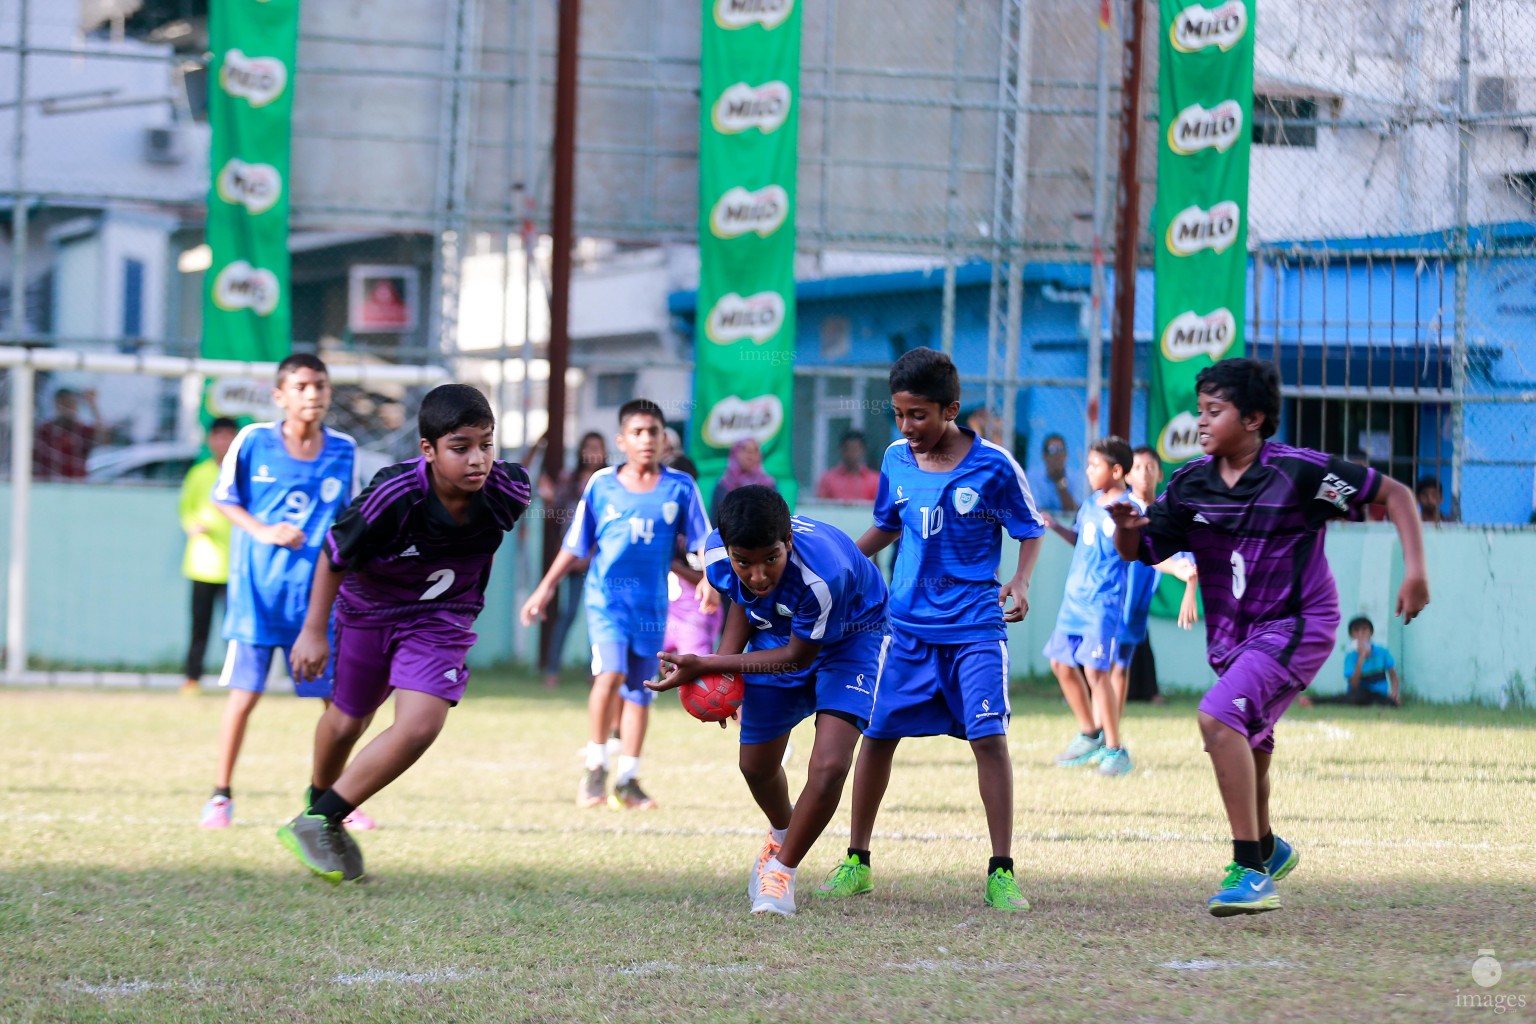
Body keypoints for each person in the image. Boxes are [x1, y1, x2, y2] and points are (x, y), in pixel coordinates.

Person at [1108, 357, 1429, 916]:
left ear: (1254, 418)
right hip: (1234, 636)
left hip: (1299, 625)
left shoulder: (1300, 475)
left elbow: (1396, 495)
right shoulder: (1190, 484)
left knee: (1216, 718)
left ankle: (1249, 870)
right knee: (1249, 744)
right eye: (1199, 410)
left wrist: (1417, 571)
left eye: (1215, 411)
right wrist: (1125, 532)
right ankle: (1266, 847)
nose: (1201, 422)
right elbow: (1145, 552)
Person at [817, 346, 1045, 912]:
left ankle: (1001, 871)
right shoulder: (895, 458)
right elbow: (884, 528)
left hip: (974, 628)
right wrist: (836, 564)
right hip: (906, 628)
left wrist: (1019, 580)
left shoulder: (993, 465)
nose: (907, 426)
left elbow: (1030, 528)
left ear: (951, 409)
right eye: (899, 414)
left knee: (989, 739)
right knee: (878, 737)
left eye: (918, 414)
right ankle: (857, 861)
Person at [277, 384, 533, 882]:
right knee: (348, 721)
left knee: (419, 724)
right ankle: (319, 804)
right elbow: (334, 554)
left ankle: (321, 818)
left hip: (442, 620)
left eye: (486, 444)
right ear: (428, 450)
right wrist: (313, 632)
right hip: (369, 613)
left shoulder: (509, 491)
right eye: (460, 448)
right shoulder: (393, 493)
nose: (477, 459)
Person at [649, 487, 888, 917]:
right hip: (778, 634)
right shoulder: (718, 556)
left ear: (788, 542)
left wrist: (709, 663)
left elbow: (799, 656)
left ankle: (782, 872)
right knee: (755, 766)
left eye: (770, 560)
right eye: (745, 561)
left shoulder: (822, 576)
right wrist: (722, 672)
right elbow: (743, 601)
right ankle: (781, 832)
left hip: (852, 636)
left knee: (831, 765)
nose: (757, 574)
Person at [198, 354, 364, 831]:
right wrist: (264, 530)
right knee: (244, 695)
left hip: (316, 602)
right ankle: (221, 796)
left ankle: (336, 798)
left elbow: (351, 518)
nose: (313, 394)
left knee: (336, 702)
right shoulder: (252, 441)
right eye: (302, 386)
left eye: (321, 386)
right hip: (259, 595)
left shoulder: (344, 449)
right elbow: (224, 499)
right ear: (280, 396)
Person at [521, 399, 712, 811]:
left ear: (664, 440)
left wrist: (711, 582)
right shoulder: (602, 485)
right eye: (638, 432)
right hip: (606, 601)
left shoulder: (680, 487)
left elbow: (703, 542)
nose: (647, 440)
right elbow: (575, 544)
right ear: (622, 440)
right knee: (609, 675)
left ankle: (627, 779)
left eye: (654, 432)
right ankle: (594, 768)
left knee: (641, 691)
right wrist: (545, 588)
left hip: (651, 607)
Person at [1044, 437, 1138, 777]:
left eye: (1094, 465)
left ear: (1116, 470)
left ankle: (1116, 749)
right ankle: (1090, 734)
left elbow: (1130, 550)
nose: (1087, 471)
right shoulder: (1091, 503)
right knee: (1060, 664)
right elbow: (1079, 538)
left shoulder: (1129, 508)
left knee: (1096, 672)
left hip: (1102, 603)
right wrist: (1055, 528)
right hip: (1075, 601)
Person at [1119, 446, 1199, 706]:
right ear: (1128, 476)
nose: (1144, 473)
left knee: (1133, 641)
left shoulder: (1166, 512)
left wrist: (1187, 577)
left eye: (1149, 467)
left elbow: (1183, 556)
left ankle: (1138, 697)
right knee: (1112, 654)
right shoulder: (1123, 510)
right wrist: (1176, 568)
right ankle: (1100, 721)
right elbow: (1145, 551)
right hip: (1116, 593)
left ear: (1160, 474)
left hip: (1140, 596)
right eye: (1138, 468)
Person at [537, 431, 608, 689]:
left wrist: (590, 555)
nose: (592, 452)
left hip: (602, 561)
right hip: (574, 559)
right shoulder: (569, 479)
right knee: (568, 614)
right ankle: (552, 670)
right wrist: (548, 498)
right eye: (587, 447)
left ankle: (598, 671)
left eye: (597, 447)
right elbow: (561, 518)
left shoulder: (610, 482)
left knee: (599, 616)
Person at [179, 417, 240, 697]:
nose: (224, 442)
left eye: (230, 436)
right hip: (202, 565)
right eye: (219, 436)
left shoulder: (243, 473)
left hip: (235, 567)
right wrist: (192, 525)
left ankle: (237, 680)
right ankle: (192, 679)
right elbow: (186, 510)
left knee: (235, 630)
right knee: (199, 627)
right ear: (210, 440)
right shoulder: (199, 473)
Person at [1310, 616, 1402, 707]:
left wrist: (1395, 692)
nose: (1360, 635)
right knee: (1352, 698)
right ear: (1352, 635)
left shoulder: (1382, 652)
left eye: (1364, 630)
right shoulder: (1350, 656)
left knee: (1391, 703)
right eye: (1356, 631)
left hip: (1379, 694)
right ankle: (1313, 701)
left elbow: (1393, 677)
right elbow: (1353, 685)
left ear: (1371, 632)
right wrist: (1361, 657)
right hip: (1359, 693)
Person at [33, 387, 105, 480]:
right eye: (65, 404)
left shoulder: (82, 430)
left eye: (71, 404)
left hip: (76, 485)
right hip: (49, 485)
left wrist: (93, 405)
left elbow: (103, 439)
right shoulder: (45, 430)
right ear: (56, 405)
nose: (69, 408)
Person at [713, 437, 775, 519]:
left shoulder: (769, 484)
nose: (750, 454)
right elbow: (717, 520)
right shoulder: (724, 485)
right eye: (744, 449)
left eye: (755, 450)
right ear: (735, 453)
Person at [814, 430, 880, 503]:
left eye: (855, 449)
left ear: (863, 450)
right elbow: (820, 507)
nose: (851, 454)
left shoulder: (875, 481)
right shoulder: (828, 479)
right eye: (847, 449)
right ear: (841, 450)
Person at [1026, 432, 1080, 514]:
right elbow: (1034, 510)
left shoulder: (1076, 477)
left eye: (1060, 450)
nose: (1057, 456)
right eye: (1052, 450)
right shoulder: (1032, 476)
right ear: (1044, 456)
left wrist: (1060, 483)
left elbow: (1074, 511)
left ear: (1066, 455)